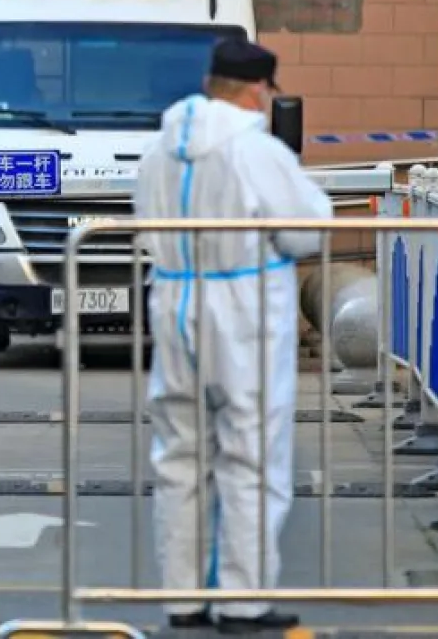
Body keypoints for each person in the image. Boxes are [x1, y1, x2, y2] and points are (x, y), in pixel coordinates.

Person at [133, 38, 332, 633]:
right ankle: (242, 600)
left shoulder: (159, 148)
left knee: (180, 454)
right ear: (258, 90)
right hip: (244, 308)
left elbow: (141, 220)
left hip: (173, 299)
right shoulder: (256, 149)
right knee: (251, 452)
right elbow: (306, 230)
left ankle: (183, 597)